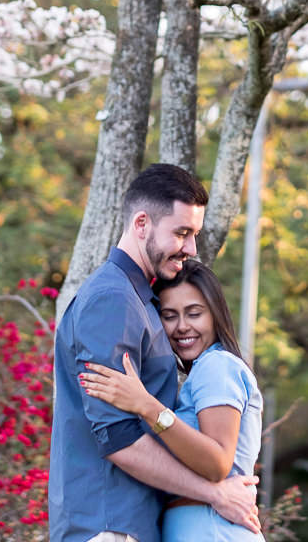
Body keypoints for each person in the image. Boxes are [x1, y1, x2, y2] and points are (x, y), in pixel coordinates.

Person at [49, 164, 260, 542]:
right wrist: (215, 493)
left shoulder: (140, 299)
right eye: (182, 233)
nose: (191, 248)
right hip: (110, 526)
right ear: (142, 224)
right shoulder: (113, 300)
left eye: (193, 234)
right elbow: (117, 437)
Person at [80, 260, 265, 542]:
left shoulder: (217, 365)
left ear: (215, 315)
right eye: (169, 316)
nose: (182, 327)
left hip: (213, 529)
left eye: (194, 313)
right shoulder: (200, 374)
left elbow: (217, 464)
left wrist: (146, 406)